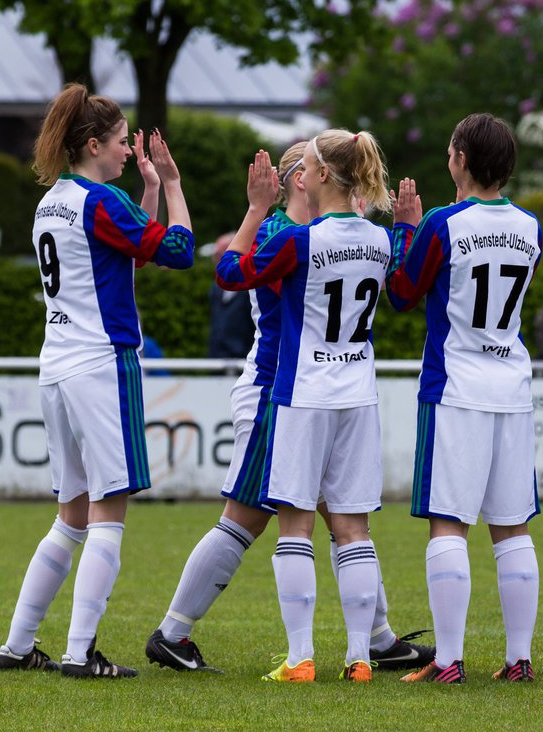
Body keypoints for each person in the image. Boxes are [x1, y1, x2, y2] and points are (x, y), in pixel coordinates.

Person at [145, 142, 434, 675]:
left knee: (337, 519)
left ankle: (376, 638)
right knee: (256, 519)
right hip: (275, 391)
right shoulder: (284, 233)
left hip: (306, 391)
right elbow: (241, 275)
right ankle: (174, 631)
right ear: (304, 179)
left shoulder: (309, 234)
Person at [0, 83, 194, 678]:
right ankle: (80, 653)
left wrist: (149, 196)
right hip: (101, 365)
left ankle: (18, 644)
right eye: (119, 143)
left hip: (56, 366)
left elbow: (119, 254)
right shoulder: (101, 201)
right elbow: (179, 253)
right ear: (92, 144)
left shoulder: (53, 200)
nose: (129, 151)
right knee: (109, 513)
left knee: (71, 515)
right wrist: (175, 186)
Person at [386, 113, 543, 684]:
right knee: (511, 524)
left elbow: (402, 292)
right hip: (512, 385)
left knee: (448, 522)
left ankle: (448, 662)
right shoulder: (530, 227)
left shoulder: (442, 223)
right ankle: (518, 659)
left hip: (456, 386)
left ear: (460, 159)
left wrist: (405, 227)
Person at [207, 230, 256, 361]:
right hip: (216, 356)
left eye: (221, 254)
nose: (217, 260)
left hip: (244, 357)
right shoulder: (215, 289)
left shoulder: (252, 286)